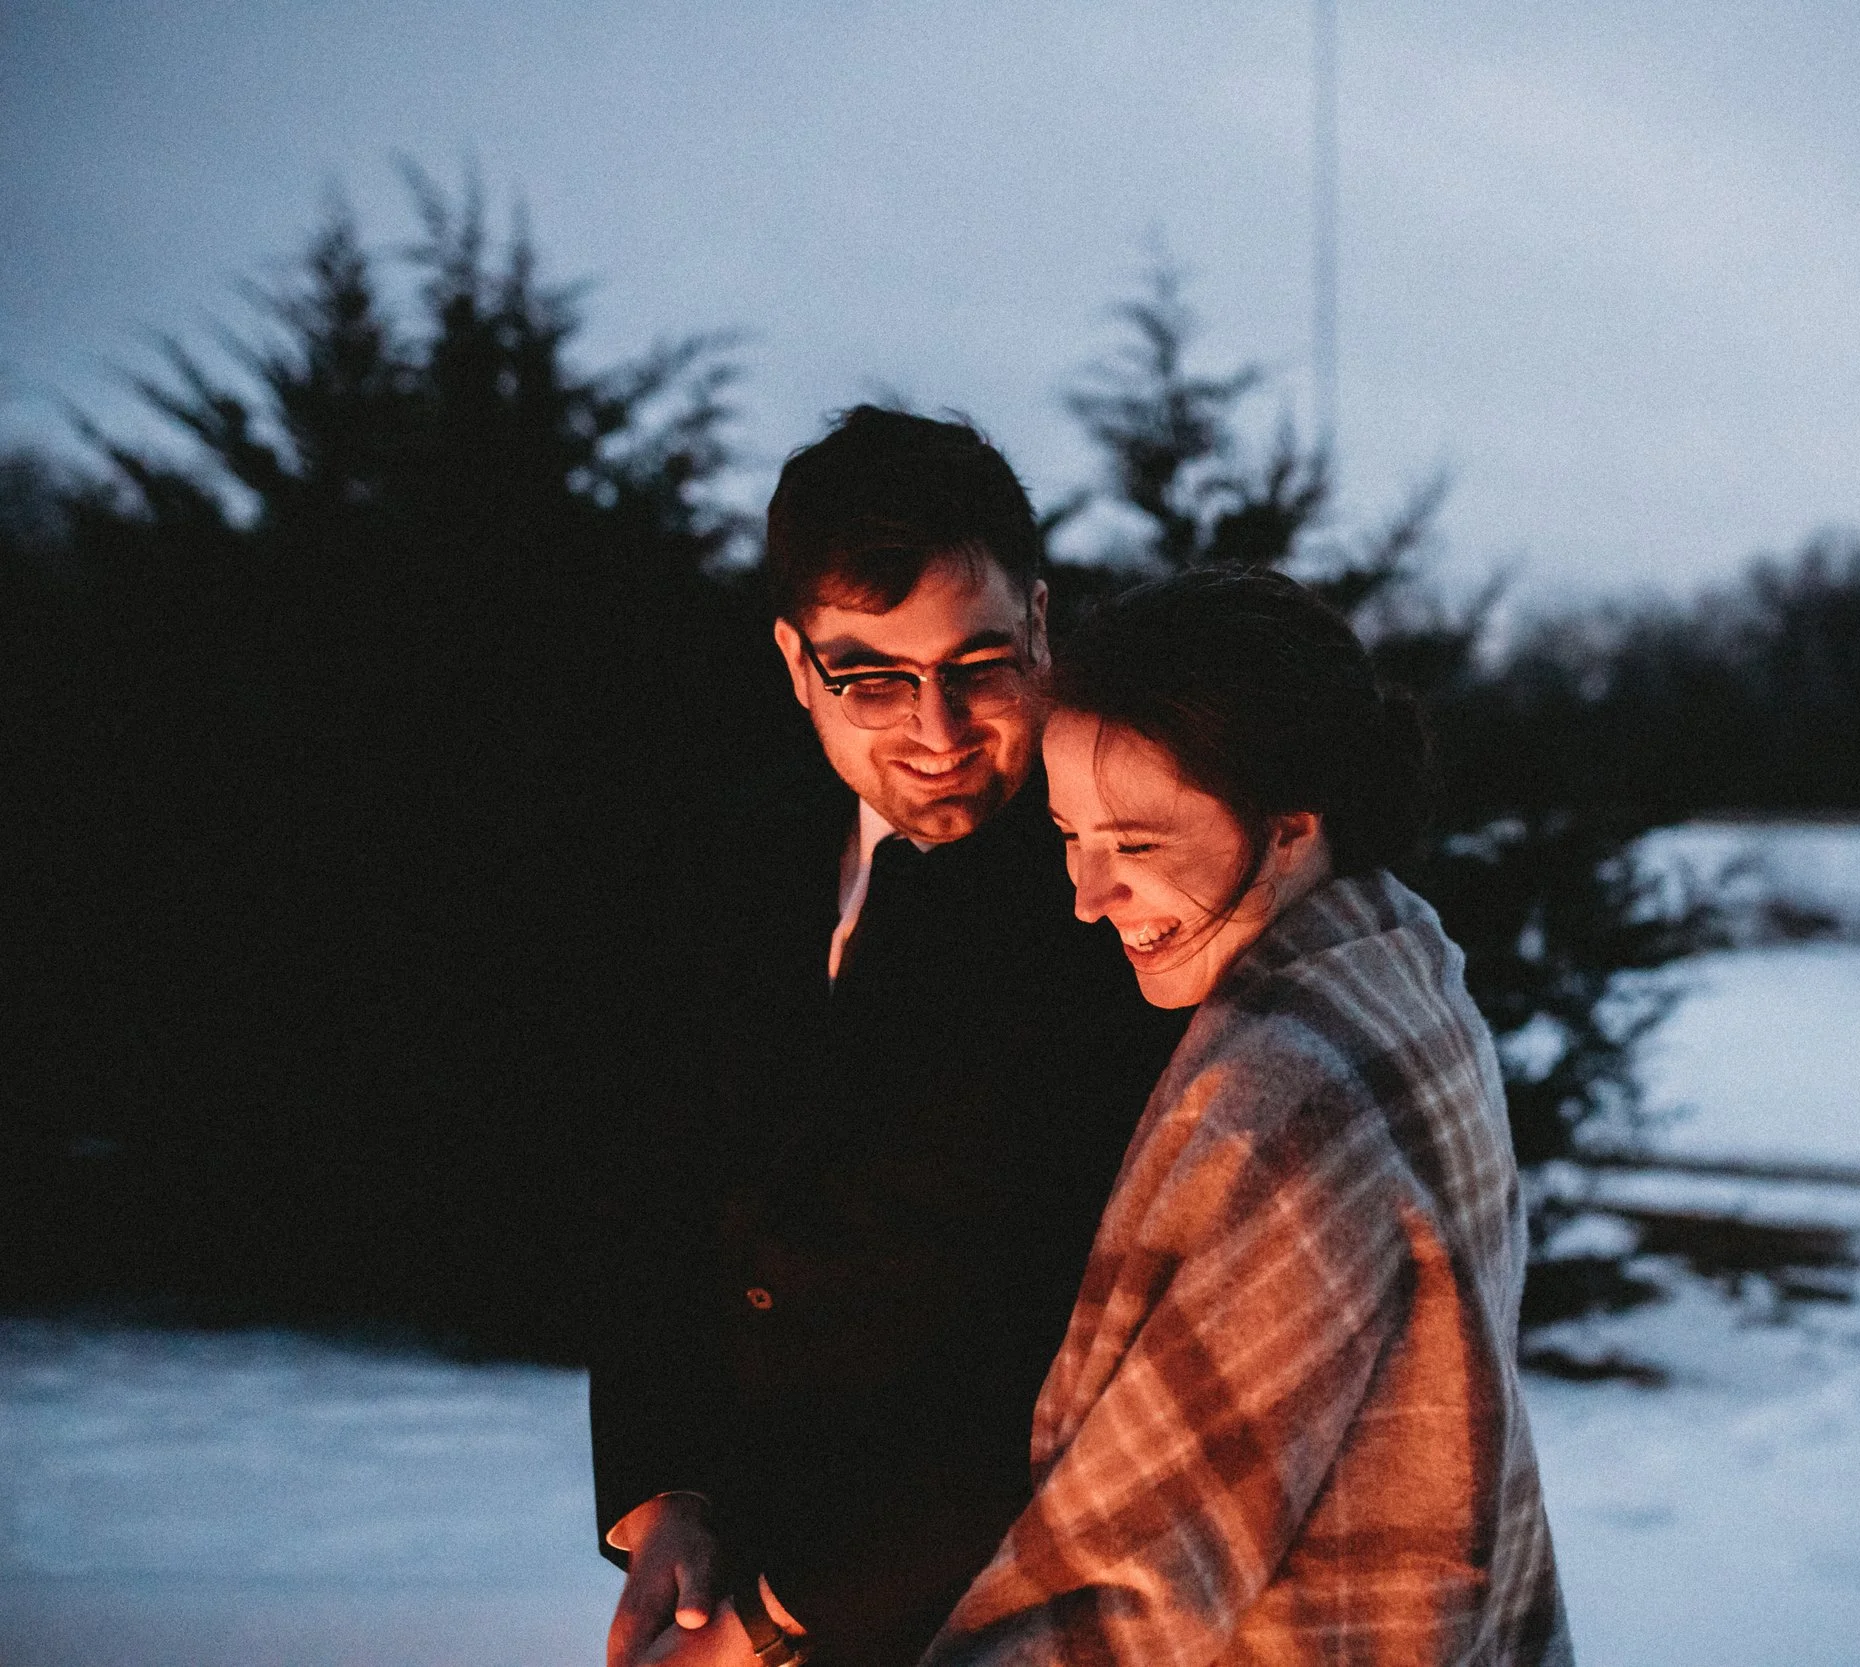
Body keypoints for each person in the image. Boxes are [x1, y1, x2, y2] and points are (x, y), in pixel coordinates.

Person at [590, 407, 1188, 1667]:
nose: (936, 729)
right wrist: (665, 1489)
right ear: (794, 662)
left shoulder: (1130, 908)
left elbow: (1084, 1361)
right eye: (871, 677)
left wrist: (773, 1622)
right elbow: (659, 1186)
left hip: (1011, 1614)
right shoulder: (725, 854)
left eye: (980, 664)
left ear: (1040, 619)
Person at [927, 568, 1572, 1664]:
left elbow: (1124, 1588)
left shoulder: (1277, 1105)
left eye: (1135, 845)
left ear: (1286, 830)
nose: (1088, 894)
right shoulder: (1400, 955)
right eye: (1067, 834)